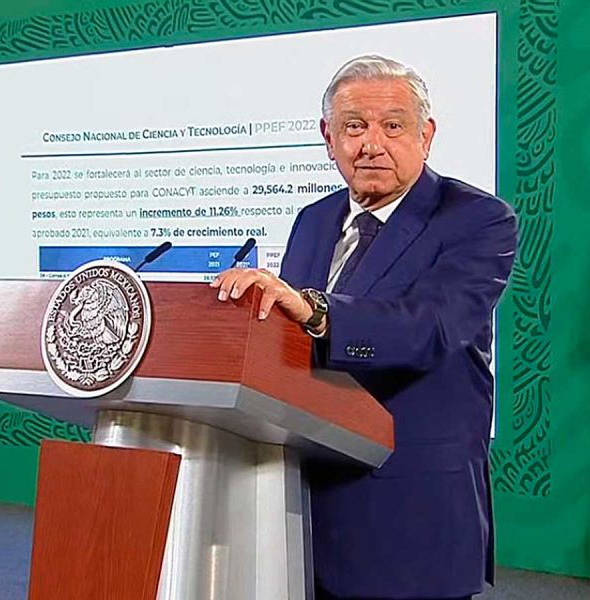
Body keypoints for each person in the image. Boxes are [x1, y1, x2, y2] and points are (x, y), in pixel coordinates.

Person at [211, 55, 517, 600]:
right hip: (299, 514)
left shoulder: (477, 218)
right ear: (328, 138)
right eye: (354, 127)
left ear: (426, 136)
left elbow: (431, 327)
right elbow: (292, 351)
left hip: (411, 521)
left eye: (392, 125)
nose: (371, 144)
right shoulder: (313, 220)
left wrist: (316, 311)